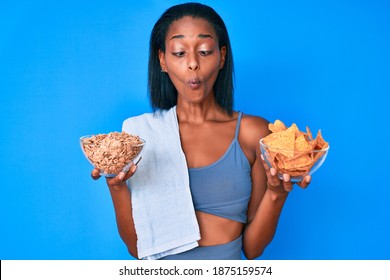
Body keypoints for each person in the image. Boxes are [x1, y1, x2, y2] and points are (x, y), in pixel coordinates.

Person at [91, 2, 311, 260]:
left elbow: (252, 249)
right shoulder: (141, 137)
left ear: (222, 56)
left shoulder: (252, 133)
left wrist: (277, 193)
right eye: (179, 53)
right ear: (162, 60)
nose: (193, 64)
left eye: (205, 51)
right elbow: (137, 249)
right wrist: (115, 187)